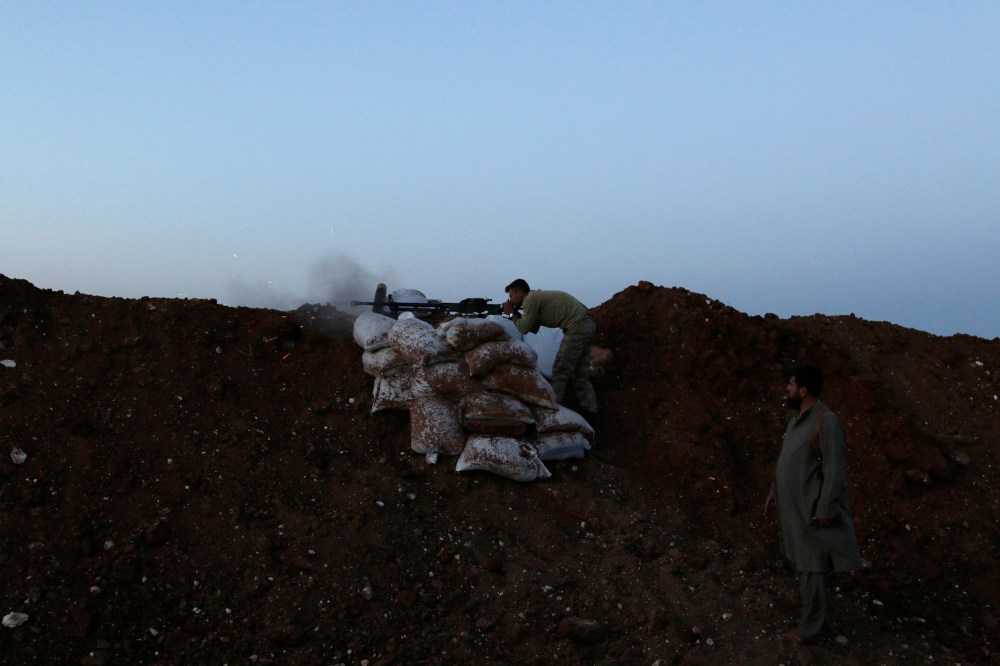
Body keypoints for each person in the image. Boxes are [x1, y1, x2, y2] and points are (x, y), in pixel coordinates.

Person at [764, 364, 862, 644]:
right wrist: (774, 490)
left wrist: (825, 508)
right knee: (804, 565)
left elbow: (834, 469)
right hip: (792, 508)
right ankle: (814, 621)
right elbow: (787, 460)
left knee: (812, 566)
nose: (787, 389)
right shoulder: (795, 421)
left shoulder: (826, 421)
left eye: (791, 385)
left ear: (804, 390)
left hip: (810, 509)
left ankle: (809, 629)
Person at [501, 279, 598, 417]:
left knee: (560, 368)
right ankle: (591, 411)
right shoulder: (535, 298)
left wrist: (511, 313)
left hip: (577, 326)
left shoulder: (531, 299)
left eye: (511, 296)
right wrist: (516, 313)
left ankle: (552, 410)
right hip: (587, 325)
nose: (509, 299)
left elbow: (523, 328)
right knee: (580, 374)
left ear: (520, 293)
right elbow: (533, 327)